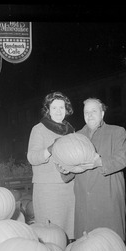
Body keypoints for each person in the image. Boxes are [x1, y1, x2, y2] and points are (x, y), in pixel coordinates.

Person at [58, 97, 126, 241]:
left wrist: (100, 162)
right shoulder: (76, 136)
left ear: (102, 113)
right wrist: (65, 169)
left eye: (94, 111)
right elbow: (69, 167)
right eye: (86, 112)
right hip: (84, 202)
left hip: (107, 199)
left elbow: (122, 158)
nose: (90, 115)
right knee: (86, 246)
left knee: (110, 245)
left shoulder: (117, 132)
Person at [27, 91, 76, 241]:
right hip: (48, 188)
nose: (58, 111)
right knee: (52, 234)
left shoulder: (71, 130)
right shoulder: (38, 129)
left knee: (69, 232)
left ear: (67, 110)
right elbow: (32, 157)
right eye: (54, 108)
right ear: (48, 110)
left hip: (69, 186)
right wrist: (49, 149)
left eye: (62, 107)